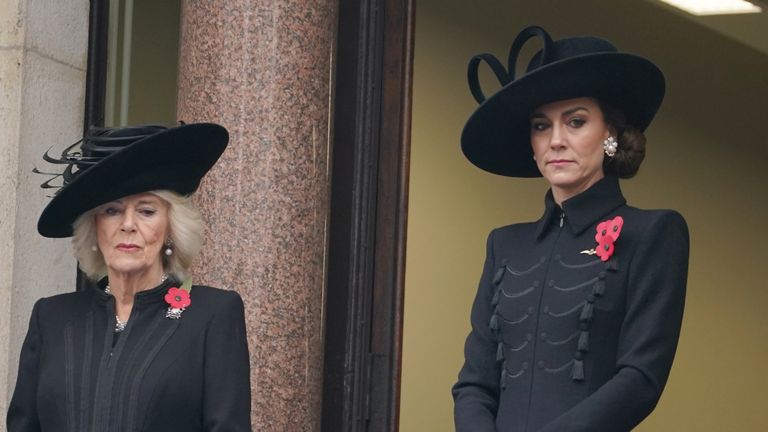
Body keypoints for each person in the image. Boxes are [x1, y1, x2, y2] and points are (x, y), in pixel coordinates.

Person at [452, 26, 689, 431]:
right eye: (542, 126)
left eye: (575, 122)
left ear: (610, 134)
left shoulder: (654, 233)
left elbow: (640, 379)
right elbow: (474, 382)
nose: (556, 140)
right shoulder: (505, 244)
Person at [7, 123, 252, 432]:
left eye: (146, 211)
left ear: (170, 230)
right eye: (111, 210)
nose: (128, 225)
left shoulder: (212, 314)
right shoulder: (52, 317)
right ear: (94, 228)